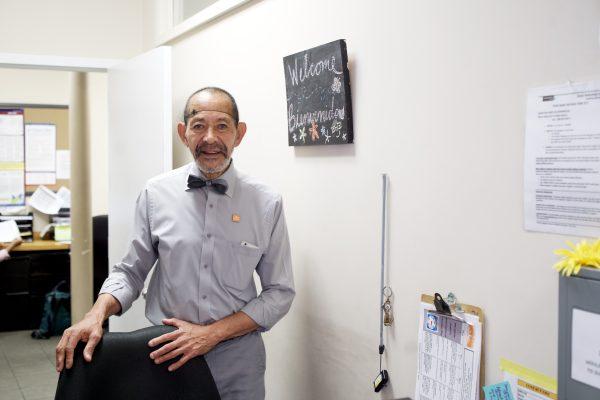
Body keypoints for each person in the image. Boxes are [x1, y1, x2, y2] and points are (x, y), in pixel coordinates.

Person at [55, 87, 295, 400]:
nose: (210, 137)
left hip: (237, 365)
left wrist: (211, 335)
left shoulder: (266, 203)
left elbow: (280, 291)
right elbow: (130, 271)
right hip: (163, 359)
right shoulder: (156, 193)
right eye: (198, 126)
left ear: (240, 134)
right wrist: (95, 314)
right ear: (183, 133)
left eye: (222, 125)